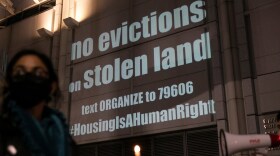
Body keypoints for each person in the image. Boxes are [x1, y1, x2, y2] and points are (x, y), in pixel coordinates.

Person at [0, 49, 77, 156]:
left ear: (52, 86)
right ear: (9, 82)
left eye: (38, 73)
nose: (28, 77)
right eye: (19, 72)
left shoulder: (64, 140)